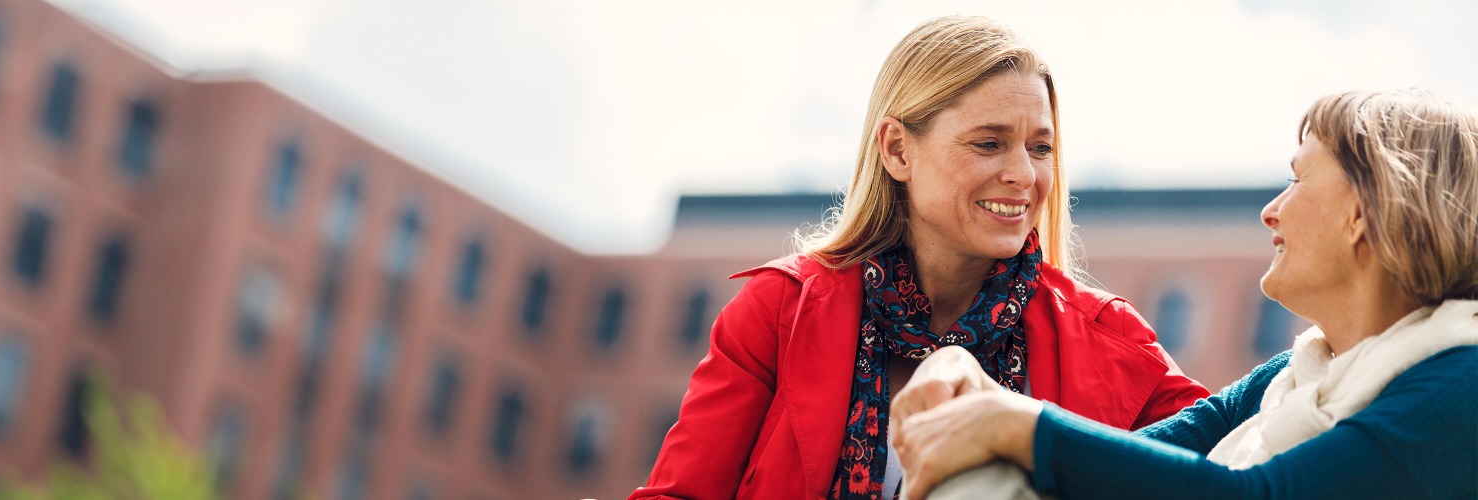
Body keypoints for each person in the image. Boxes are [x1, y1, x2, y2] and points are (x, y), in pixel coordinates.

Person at [630, 16, 1208, 500]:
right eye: (988, 143)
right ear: (898, 149)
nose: (1023, 175)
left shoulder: (1112, 342)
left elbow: (1245, 455)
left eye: (1040, 148)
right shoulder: (779, 311)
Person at [891, 88, 1478, 500]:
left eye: (1298, 180)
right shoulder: (1298, 375)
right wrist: (963, 371)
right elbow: (1128, 466)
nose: (1270, 212)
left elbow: (1257, 496)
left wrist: (1018, 425)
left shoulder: (1463, 384)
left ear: (1363, 213)